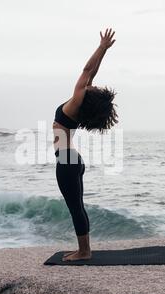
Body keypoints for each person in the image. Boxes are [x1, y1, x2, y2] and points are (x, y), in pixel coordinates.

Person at [53, 28, 118, 261]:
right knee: (77, 205)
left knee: (75, 207)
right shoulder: (80, 104)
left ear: (87, 94)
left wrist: (101, 47)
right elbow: (92, 73)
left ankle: (84, 251)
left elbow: (87, 70)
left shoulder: (76, 101)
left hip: (67, 159)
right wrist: (104, 51)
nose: (92, 84)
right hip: (72, 158)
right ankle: (83, 249)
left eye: (92, 86)